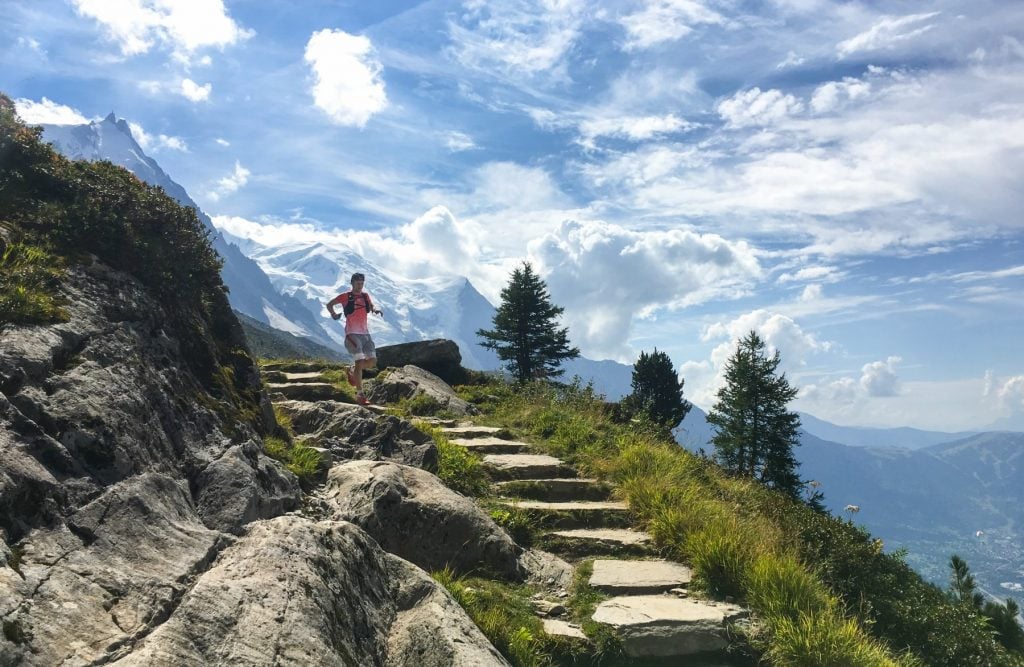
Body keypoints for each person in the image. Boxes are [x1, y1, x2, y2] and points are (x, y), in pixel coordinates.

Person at [326, 272, 383, 405]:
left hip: (365, 334)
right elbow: (330, 304)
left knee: (372, 362)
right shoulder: (346, 296)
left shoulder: (365, 296)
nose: (360, 286)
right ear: (352, 283)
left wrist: (375, 310)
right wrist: (334, 314)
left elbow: (371, 306)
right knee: (360, 361)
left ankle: (352, 370)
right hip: (352, 334)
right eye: (358, 283)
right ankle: (360, 395)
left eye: (362, 283)